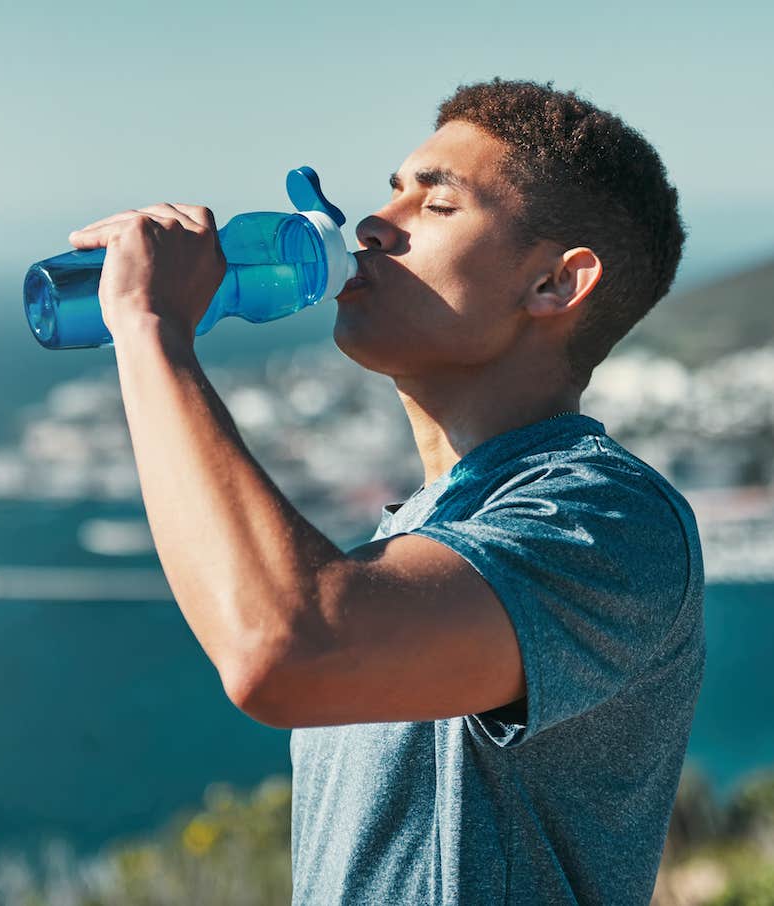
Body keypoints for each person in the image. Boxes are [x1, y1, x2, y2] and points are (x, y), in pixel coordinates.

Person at [68, 78, 705, 905]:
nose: (374, 223)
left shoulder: (608, 520)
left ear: (554, 284)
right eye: (391, 191)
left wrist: (154, 331)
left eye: (437, 206)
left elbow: (284, 649)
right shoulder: (416, 534)